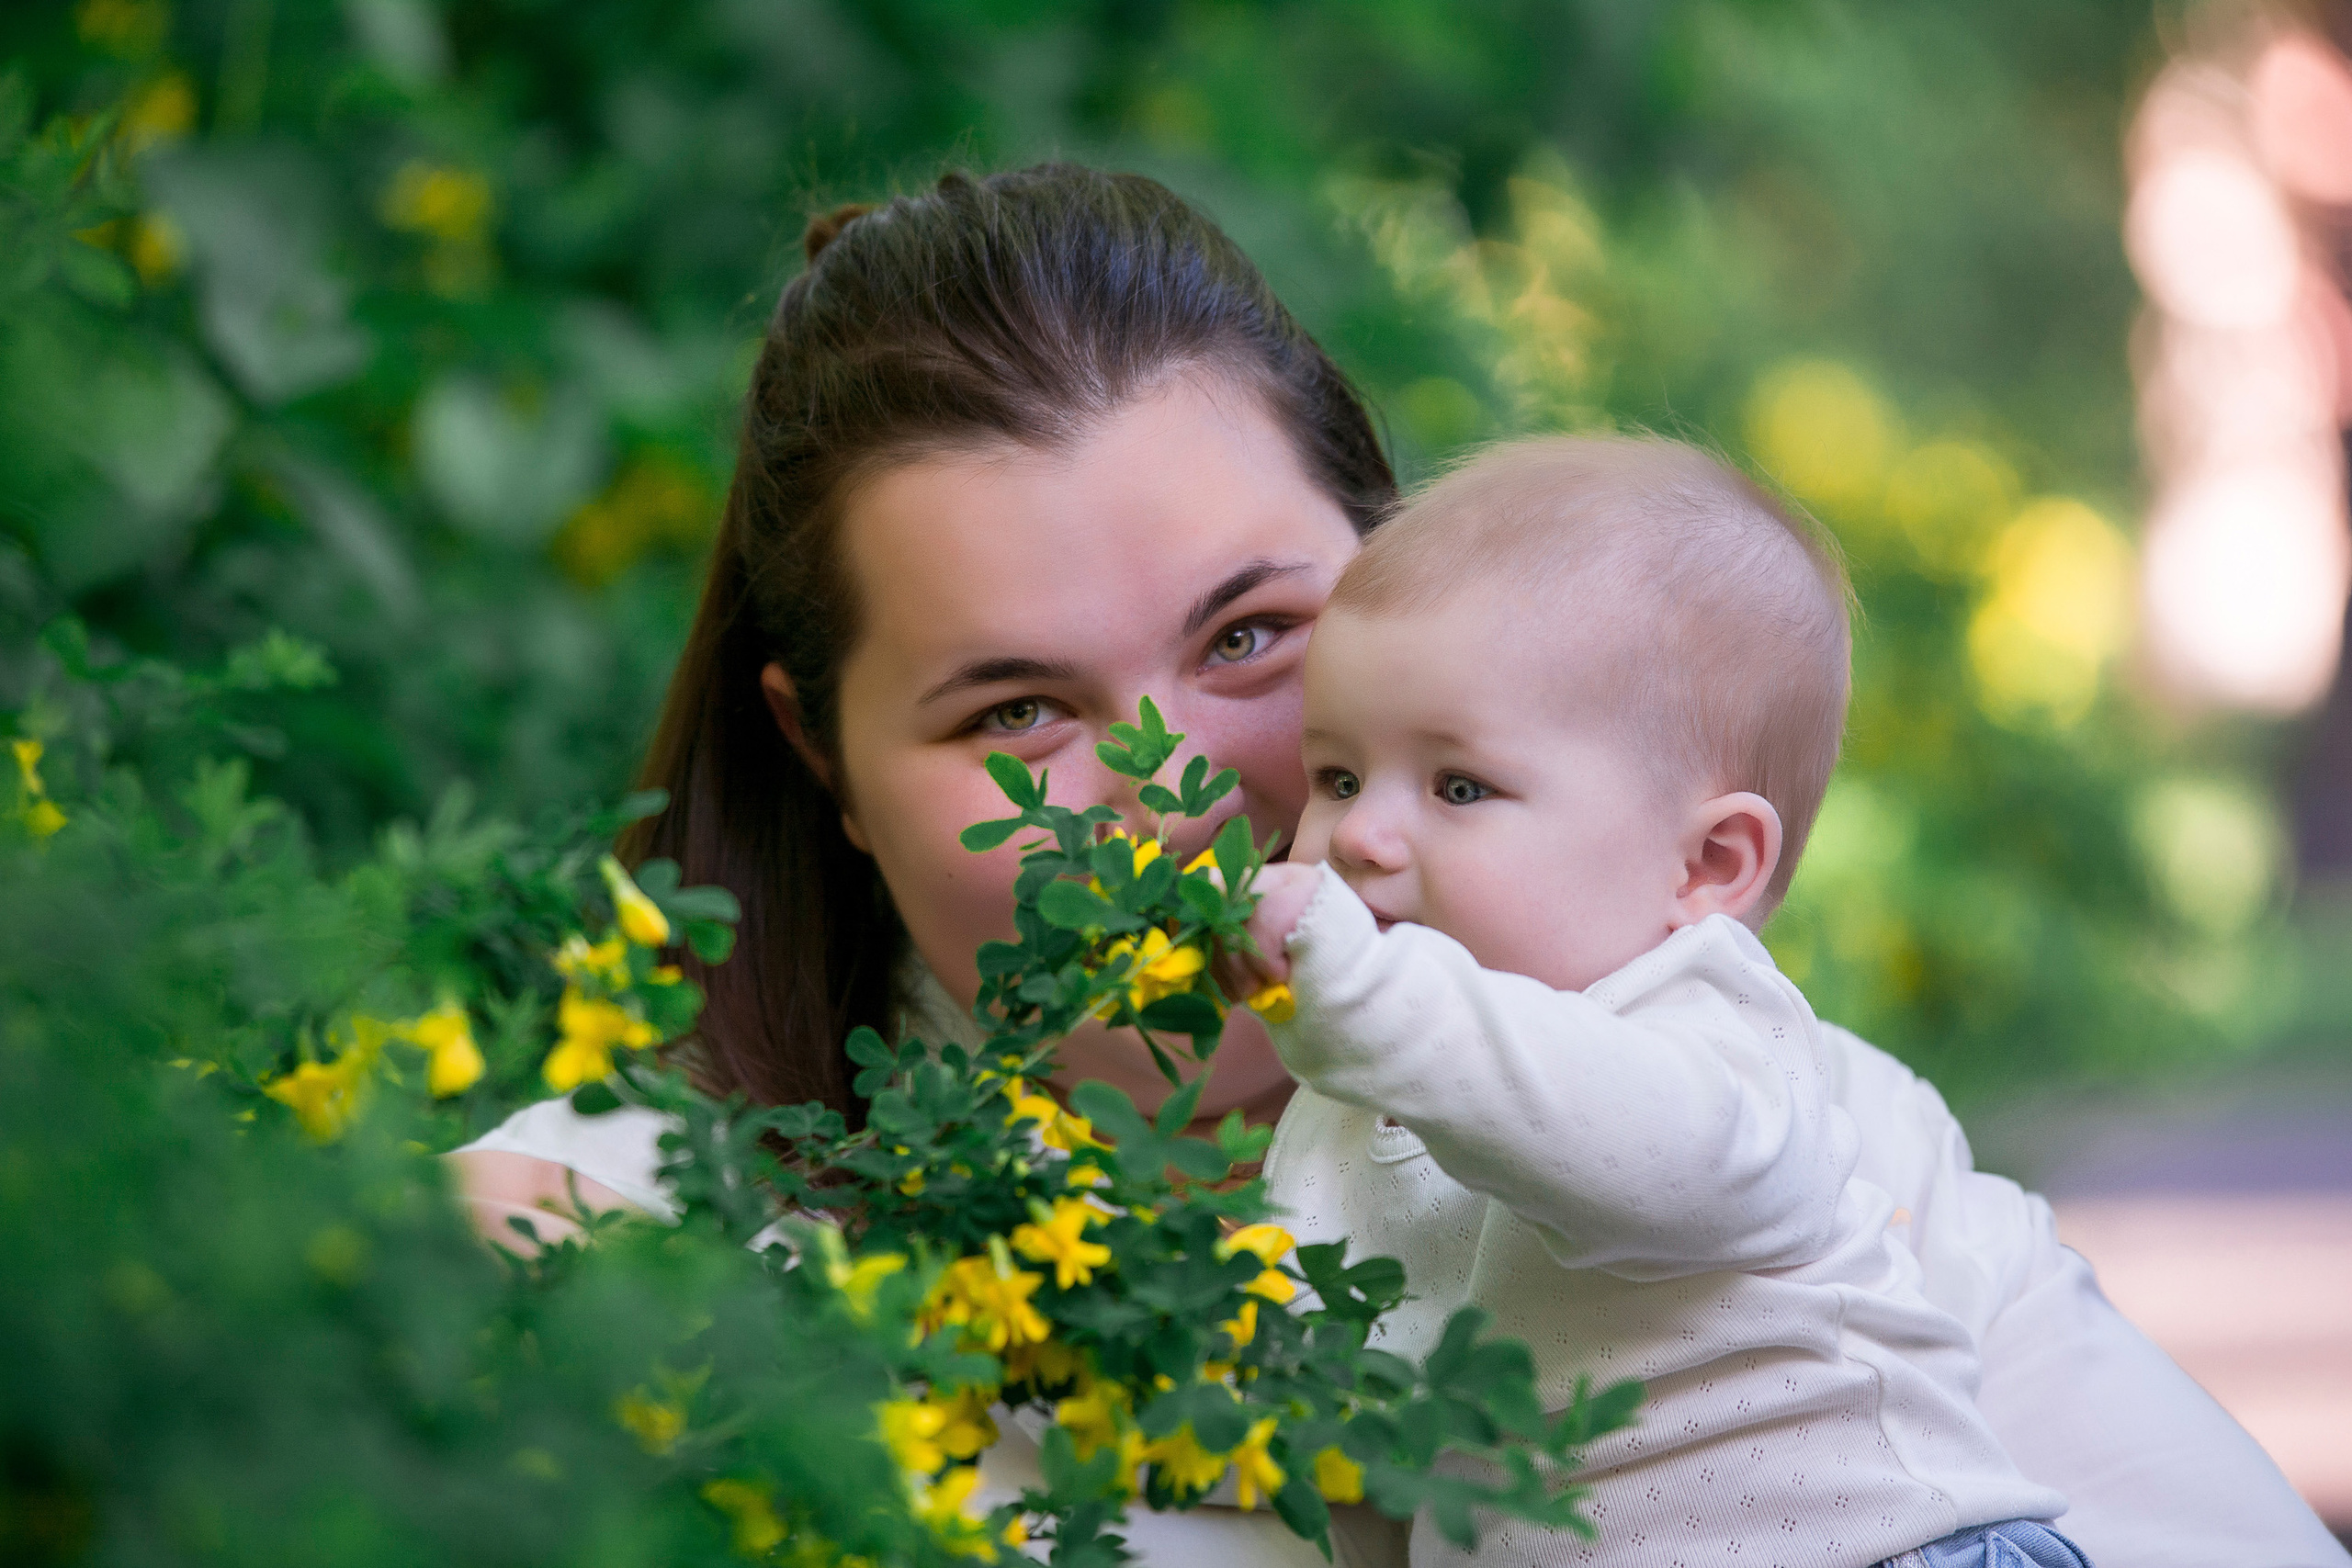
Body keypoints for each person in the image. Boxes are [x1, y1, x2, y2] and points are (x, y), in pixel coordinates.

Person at [450, 164, 2350, 1568]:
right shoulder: (621, 1244)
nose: (1168, 791)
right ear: (823, 762)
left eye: (1251, 640)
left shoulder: (1801, 1151)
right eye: (1014, 710)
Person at [1227, 434, 2082, 1568]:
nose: (1360, 837)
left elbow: (1628, 1147)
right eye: (1337, 777)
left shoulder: (1702, 1033)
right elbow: (1370, 1447)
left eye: (1459, 785)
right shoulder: (1340, 1114)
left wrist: (1373, 1001)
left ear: (1706, 867)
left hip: (1875, 1546)